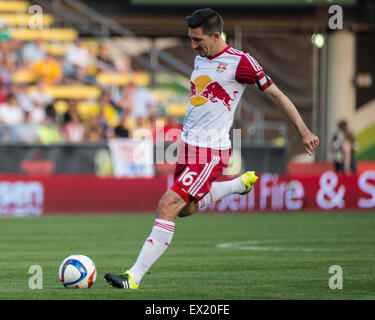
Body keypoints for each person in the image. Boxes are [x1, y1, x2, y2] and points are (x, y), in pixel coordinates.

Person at [104, 8, 319, 289]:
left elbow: (276, 94)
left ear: (216, 35)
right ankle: (235, 186)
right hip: (188, 147)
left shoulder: (240, 62)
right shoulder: (200, 58)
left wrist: (303, 131)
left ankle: (133, 277)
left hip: (211, 152)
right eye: (191, 39)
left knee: (167, 205)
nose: (193, 45)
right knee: (185, 208)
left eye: (197, 39)